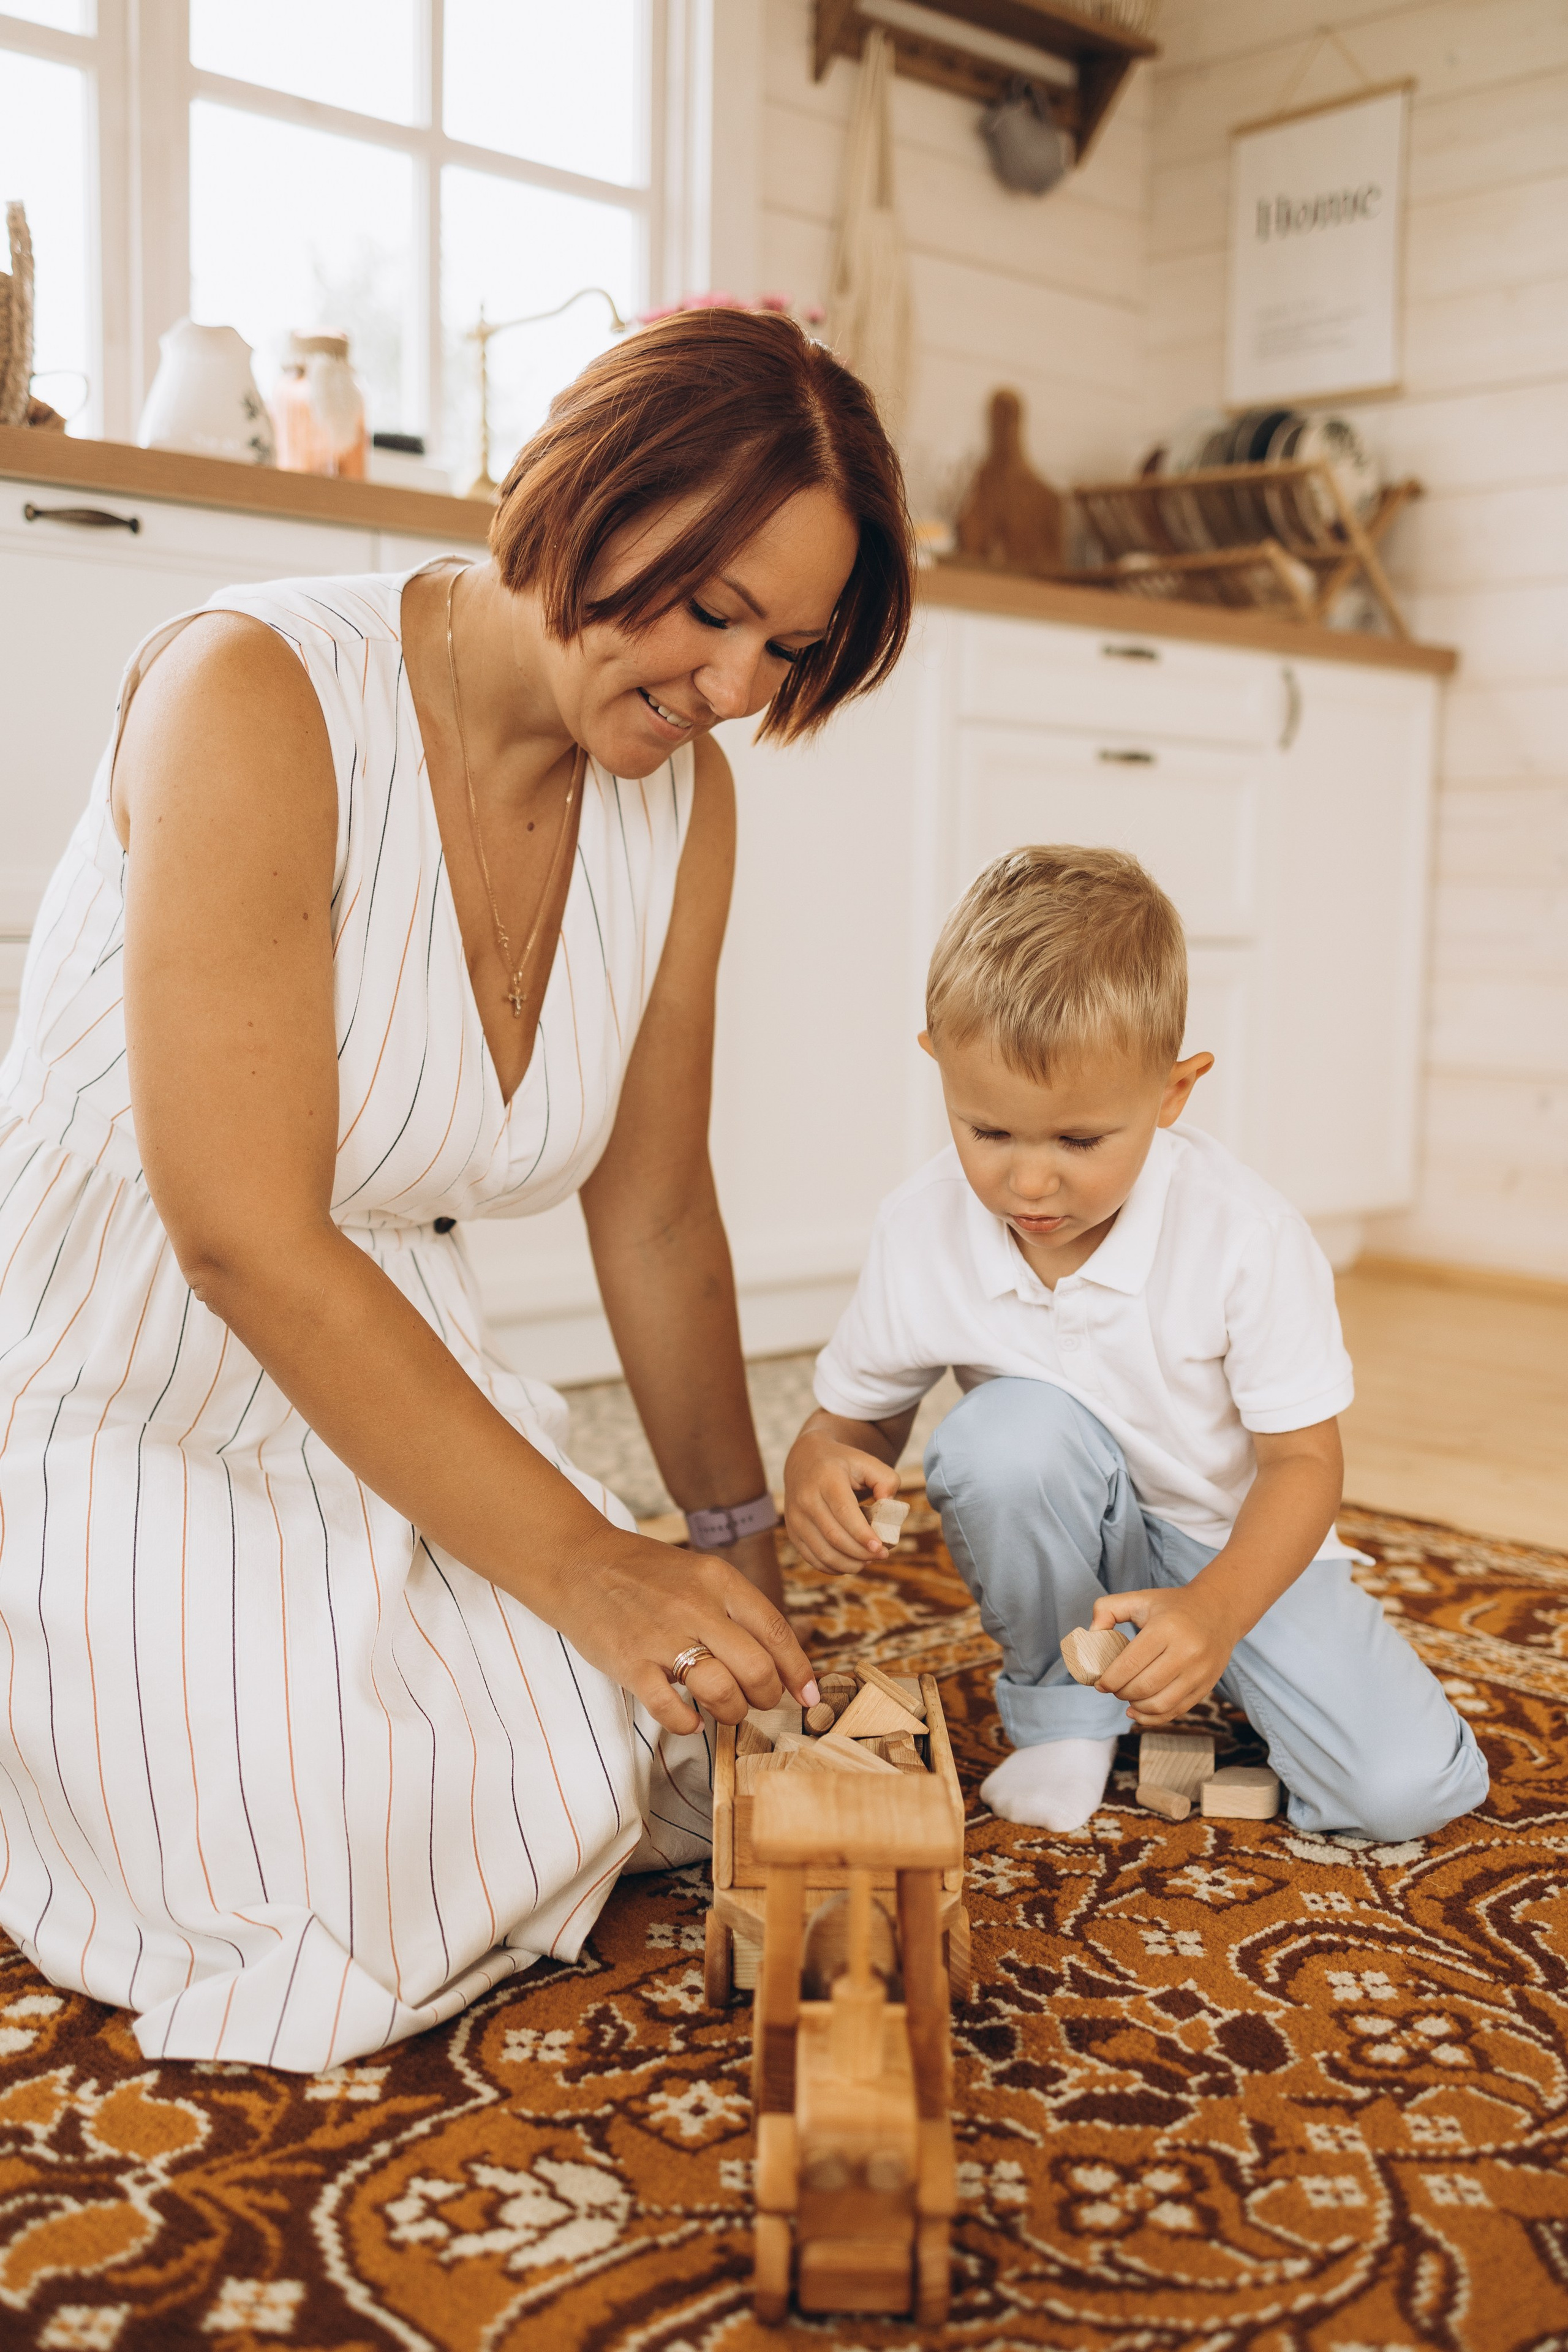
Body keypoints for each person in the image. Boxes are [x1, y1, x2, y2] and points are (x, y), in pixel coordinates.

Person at [0, 309, 914, 2068]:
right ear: (577, 492)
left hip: (384, 1365)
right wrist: (588, 1565)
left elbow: (652, 1208)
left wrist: (724, 1556)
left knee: (609, 1740)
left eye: (780, 648)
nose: (733, 688)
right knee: (337, 1852)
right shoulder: (252, 691)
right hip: (108, 1365)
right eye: (712, 611)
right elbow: (241, 1237)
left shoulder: (680, 803)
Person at [785, 846, 1490, 1842]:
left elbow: (1304, 1463)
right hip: (1072, 1522)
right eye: (990, 1134)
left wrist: (1217, 1614)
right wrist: (822, 1459)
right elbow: (859, 1414)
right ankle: (1066, 1717)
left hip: (1239, 1542)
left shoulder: (1245, 1235)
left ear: (1173, 1093)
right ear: (936, 1061)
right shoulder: (920, 1225)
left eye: (1078, 1142)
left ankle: (1229, 1669)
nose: (1030, 1185)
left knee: (1405, 1793)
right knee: (1002, 1440)